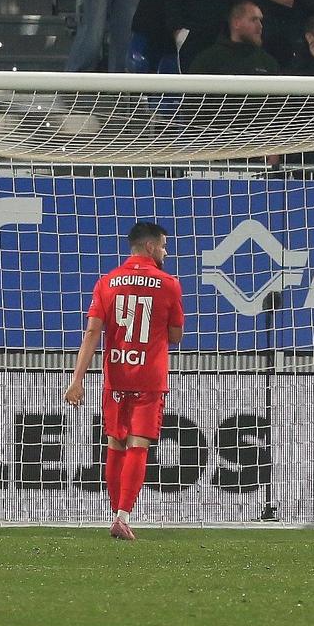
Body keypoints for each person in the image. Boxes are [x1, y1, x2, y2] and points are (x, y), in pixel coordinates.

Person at [63, 222, 187, 542]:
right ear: (149, 248)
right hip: (149, 377)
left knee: (115, 444)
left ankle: (114, 511)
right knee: (138, 445)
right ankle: (122, 515)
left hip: (116, 376)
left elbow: (92, 333)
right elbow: (175, 335)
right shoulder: (169, 284)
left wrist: (77, 380)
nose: (165, 252)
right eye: (162, 246)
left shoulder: (106, 283)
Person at [188, 0, 279, 73]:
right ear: (236, 23)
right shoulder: (207, 61)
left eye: (260, 20)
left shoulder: (268, 63)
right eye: (254, 20)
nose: (260, 26)